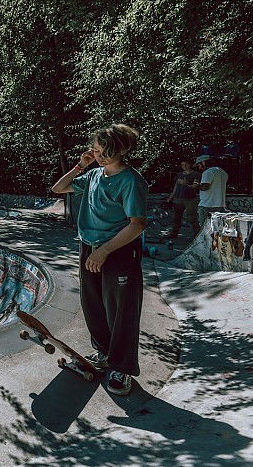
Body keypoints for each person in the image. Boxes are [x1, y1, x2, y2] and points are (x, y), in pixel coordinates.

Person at [51, 124, 148, 396]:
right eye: (96, 150)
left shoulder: (130, 180)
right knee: (93, 304)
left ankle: (122, 367)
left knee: (122, 310)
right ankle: (104, 354)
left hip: (117, 251)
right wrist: (80, 166)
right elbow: (59, 188)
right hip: (89, 247)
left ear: (121, 151)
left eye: (104, 152)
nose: (98, 155)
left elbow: (137, 224)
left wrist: (104, 250)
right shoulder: (93, 174)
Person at [166, 159, 201, 239]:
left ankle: (197, 234)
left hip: (190, 199)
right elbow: (176, 187)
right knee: (176, 217)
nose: (184, 166)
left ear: (190, 165)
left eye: (185, 164)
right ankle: (174, 233)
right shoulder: (179, 175)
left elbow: (195, 185)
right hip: (178, 199)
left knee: (192, 217)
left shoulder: (196, 174)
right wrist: (170, 197)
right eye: (182, 165)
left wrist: (187, 183)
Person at [195, 155, 228, 229]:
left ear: (203, 162)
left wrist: (196, 186)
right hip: (220, 205)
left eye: (198, 165)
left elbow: (205, 187)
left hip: (206, 205)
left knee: (204, 228)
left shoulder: (207, 172)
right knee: (217, 228)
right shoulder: (223, 172)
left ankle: (206, 241)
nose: (199, 168)